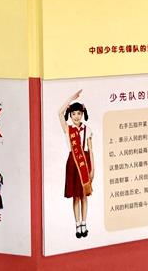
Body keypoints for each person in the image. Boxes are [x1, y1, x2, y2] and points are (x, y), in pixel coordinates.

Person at [58, 90, 94, 239]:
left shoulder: (88, 130)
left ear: (82, 114)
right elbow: (59, 113)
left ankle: (84, 223)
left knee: (84, 195)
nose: (76, 116)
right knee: (76, 197)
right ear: (70, 115)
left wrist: (93, 169)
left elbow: (91, 150)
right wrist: (71, 98)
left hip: (85, 162)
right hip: (73, 163)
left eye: (79, 113)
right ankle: (77, 224)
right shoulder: (68, 129)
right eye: (73, 114)